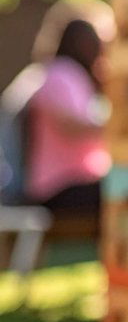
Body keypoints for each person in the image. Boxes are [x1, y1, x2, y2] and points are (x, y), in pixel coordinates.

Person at [22, 12, 111, 214]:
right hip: (58, 186)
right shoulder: (60, 73)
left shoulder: (79, 78)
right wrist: (121, 126)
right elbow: (70, 127)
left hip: (80, 182)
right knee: (119, 193)